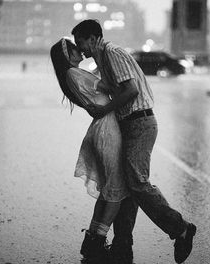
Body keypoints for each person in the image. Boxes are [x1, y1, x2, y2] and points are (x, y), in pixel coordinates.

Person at [71, 19, 197, 264]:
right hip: (130, 124)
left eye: (81, 43)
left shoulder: (113, 53)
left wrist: (103, 109)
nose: (81, 49)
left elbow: (131, 91)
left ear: (94, 38)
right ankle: (122, 247)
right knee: (127, 187)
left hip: (140, 123)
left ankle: (181, 229)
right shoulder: (103, 60)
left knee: (137, 184)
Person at [50, 37, 129, 263]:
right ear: (67, 54)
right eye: (75, 49)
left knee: (107, 190)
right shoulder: (74, 74)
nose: (80, 52)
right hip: (107, 129)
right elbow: (110, 87)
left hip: (101, 127)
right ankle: (98, 241)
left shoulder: (72, 75)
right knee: (116, 189)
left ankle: (93, 239)